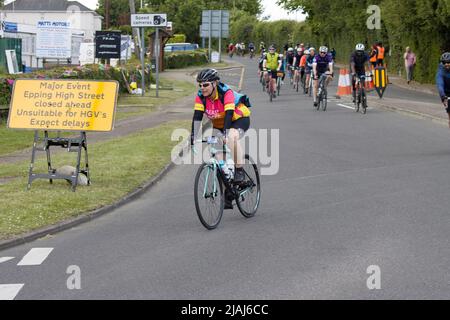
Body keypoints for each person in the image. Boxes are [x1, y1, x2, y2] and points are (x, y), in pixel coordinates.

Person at [191, 69, 252, 209]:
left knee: (231, 137)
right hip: (218, 125)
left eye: (205, 85)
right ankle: (229, 193)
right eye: (200, 85)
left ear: (215, 83)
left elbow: (229, 114)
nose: (202, 88)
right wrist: (193, 137)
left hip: (238, 119)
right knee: (220, 162)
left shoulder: (226, 93)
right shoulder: (201, 96)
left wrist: (225, 134)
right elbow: (197, 117)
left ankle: (240, 170)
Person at [436, 52, 450, 128]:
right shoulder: (440, 72)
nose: (447, 64)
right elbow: (440, 84)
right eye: (445, 62)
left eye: (449, 62)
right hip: (446, 94)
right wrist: (442, 95)